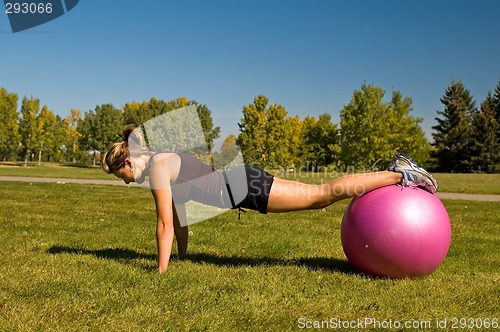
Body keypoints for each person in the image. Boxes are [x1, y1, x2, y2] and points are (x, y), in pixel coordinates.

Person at [102, 127, 438, 273]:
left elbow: (163, 224)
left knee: (319, 197)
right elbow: (178, 217)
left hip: (245, 187)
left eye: (121, 176)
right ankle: (396, 173)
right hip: (242, 181)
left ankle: (399, 174)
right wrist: (183, 256)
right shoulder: (162, 162)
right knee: (316, 194)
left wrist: (161, 272)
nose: (125, 182)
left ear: (128, 162)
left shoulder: (159, 168)